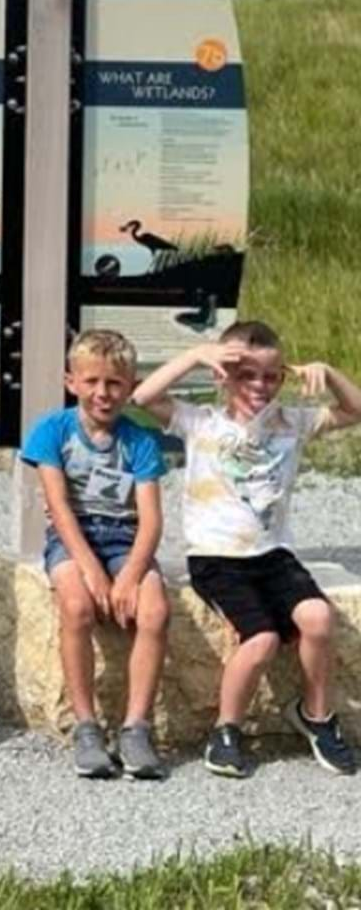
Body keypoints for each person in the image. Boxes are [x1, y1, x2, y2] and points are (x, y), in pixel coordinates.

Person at [133, 320, 361, 777]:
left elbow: (355, 410)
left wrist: (329, 372)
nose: (260, 385)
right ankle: (226, 730)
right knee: (261, 640)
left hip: (273, 554)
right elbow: (142, 398)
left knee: (317, 618)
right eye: (246, 374)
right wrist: (196, 355)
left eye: (270, 375)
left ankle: (317, 717)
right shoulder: (200, 421)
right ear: (223, 376)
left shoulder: (291, 422)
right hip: (217, 558)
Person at [19, 328, 169, 779]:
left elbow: (151, 519)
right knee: (77, 605)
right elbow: (59, 508)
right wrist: (91, 570)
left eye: (115, 383)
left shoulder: (140, 441)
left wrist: (129, 576)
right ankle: (86, 725)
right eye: (93, 382)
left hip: (124, 536)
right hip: (74, 536)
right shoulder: (53, 431)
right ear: (72, 382)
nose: (103, 393)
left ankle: (136, 726)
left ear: (129, 386)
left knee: (156, 610)